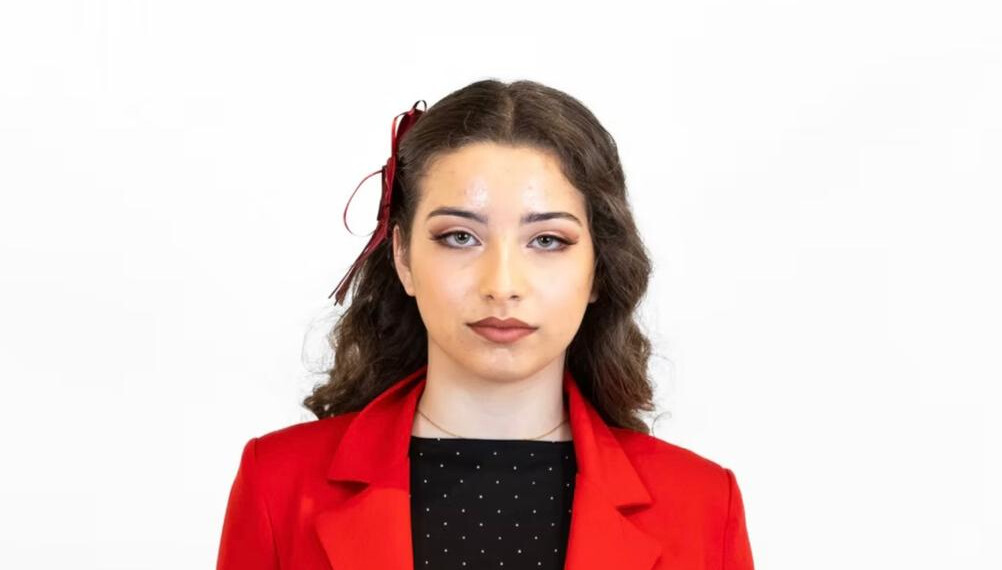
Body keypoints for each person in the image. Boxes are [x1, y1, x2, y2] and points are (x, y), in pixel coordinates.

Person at [216, 78, 755, 570]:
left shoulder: (704, 505)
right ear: (402, 256)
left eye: (548, 240)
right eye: (460, 237)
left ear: (598, 268)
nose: (501, 284)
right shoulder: (277, 484)